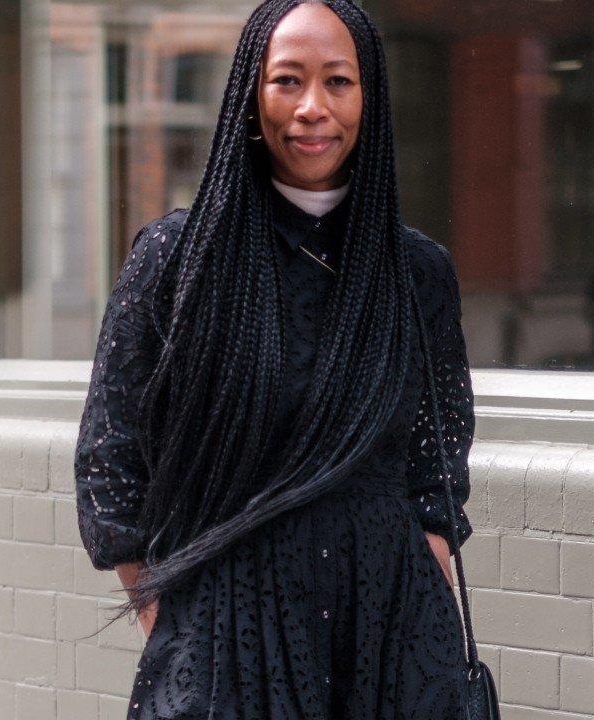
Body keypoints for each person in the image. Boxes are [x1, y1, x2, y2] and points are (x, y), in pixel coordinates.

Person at [73, 1, 476, 717]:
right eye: (288, 80)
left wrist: (421, 569)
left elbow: (436, 460)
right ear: (250, 98)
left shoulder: (417, 271)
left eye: (339, 82)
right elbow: (112, 459)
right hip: (227, 629)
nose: (313, 108)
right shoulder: (175, 261)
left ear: (369, 97)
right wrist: (170, 623)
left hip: (390, 633)